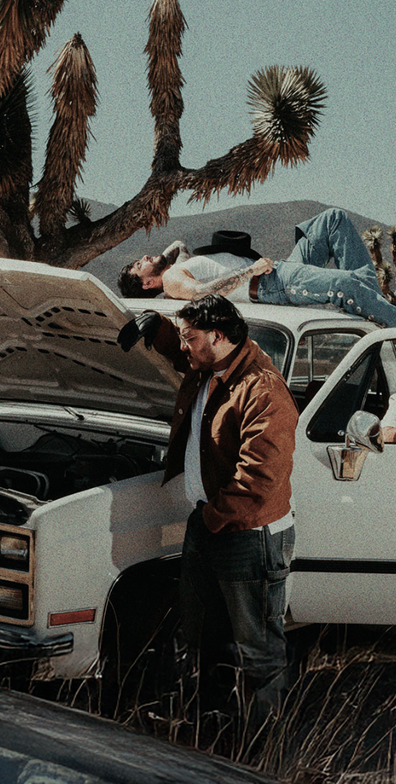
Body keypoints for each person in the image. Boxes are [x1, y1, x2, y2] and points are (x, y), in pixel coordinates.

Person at [118, 295, 298, 724]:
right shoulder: (211, 367)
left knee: (258, 647)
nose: (184, 348)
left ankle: (264, 744)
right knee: (205, 636)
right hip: (211, 522)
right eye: (182, 338)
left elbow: (260, 478)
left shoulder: (262, 389)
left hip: (249, 535)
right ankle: (212, 727)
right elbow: (181, 353)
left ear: (217, 336)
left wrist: (211, 517)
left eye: (190, 338)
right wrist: (157, 326)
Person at [117, 207, 396, 330]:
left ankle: (378, 306)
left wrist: (159, 259)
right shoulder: (172, 282)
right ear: (147, 285)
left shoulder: (174, 267)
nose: (143, 258)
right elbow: (203, 293)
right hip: (270, 283)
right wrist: (249, 272)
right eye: (137, 266)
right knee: (346, 284)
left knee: (333, 220)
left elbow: (178, 244)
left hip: (279, 271)